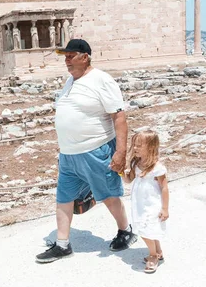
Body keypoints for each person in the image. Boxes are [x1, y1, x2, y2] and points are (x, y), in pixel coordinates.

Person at [35, 39, 136, 263]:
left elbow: (119, 117)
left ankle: (125, 230)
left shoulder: (101, 80)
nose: (66, 60)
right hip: (69, 154)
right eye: (65, 56)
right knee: (63, 197)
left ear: (85, 57)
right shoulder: (70, 81)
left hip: (96, 150)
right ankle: (62, 244)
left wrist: (121, 153)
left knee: (109, 195)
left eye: (71, 55)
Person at [121, 131, 169, 274]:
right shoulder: (136, 163)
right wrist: (121, 172)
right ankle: (158, 251)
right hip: (139, 203)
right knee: (149, 228)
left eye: (139, 146)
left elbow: (165, 188)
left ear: (151, 147)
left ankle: (153, 256)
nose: (135, 148)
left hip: (152, 203)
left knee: (144, 229)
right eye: (134, 145)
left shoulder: (157, 168)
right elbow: (128, 180)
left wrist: (165, 208)